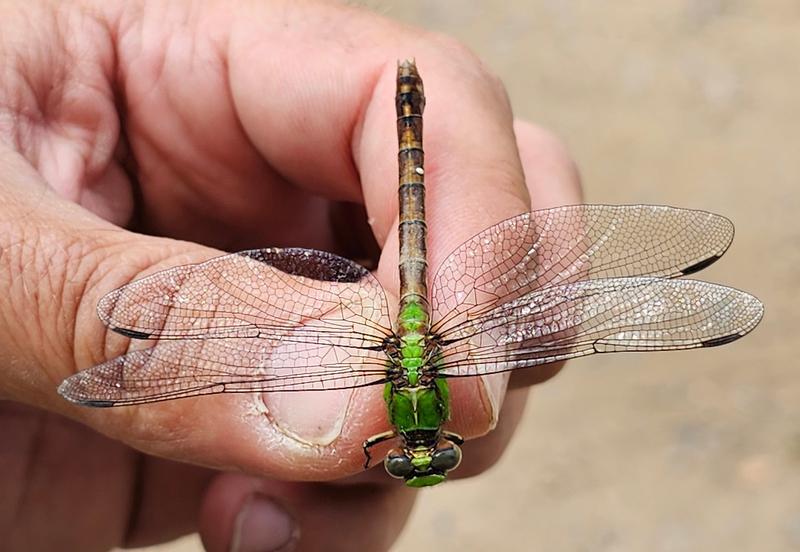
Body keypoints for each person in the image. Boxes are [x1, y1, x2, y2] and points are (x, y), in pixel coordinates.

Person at [0, 1, 581, 550]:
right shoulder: (424, 396)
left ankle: (408, 111)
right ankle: (410, 109)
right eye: (429, 455)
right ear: (443, 440)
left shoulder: (384, 426)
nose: (417, 455)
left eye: (410, 458)